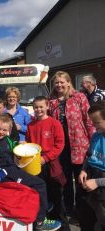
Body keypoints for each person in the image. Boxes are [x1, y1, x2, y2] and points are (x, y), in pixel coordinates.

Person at [0, 114, 61, 231]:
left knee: (38, 180)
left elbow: (12, 149)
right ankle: (40, 221)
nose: (1, 132)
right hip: (2, 173)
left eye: (4, 130)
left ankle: (42, 205)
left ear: (9, 130)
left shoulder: (8, 140)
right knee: (39, 184)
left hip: (12, 168)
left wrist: (19, 145)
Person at [48, 71, 95, 223]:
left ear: (69, 82)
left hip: (80, 145)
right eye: (56, 82)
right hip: (60, 148)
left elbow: (89, 121)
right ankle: (68, 209)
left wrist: (93, 141)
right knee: (65, 180)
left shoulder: (79, 97)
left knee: (81, 179)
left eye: (62, 82)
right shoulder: (51, 101)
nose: (59, 85)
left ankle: (83, 212)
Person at [26, 96, 69, 230]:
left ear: (47, 107)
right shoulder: (31, 125)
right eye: (36, 107)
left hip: (51, 165)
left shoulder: (54, 123)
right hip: (35, 165)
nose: (38, 109)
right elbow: (28, 143)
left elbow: (60, 145)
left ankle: (64, 227)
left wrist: (46, 158)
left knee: (56, 198)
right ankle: (46, 224)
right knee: (41, 198)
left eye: (41, 106)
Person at [78, 103, 105, 230]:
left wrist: (97, 182)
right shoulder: (96, 135)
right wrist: (83, 170)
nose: (93, 125)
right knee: (85, 216)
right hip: (90, 176)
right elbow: (89, 156)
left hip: (101, 182)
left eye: (97, 122)